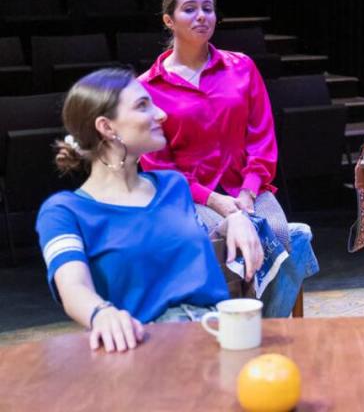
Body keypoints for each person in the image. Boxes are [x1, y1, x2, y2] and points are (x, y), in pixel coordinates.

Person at [36, 68, 265, 352]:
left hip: (213, 335)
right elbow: (73, 287)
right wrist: (101, 313)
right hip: (145, 347)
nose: (161, 115)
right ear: (107, 127)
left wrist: (235, 220)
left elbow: (177, 256)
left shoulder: (173, 186)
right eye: (143, 106)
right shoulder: (64, 212)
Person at [139, 0, 318, 318]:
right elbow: (158, 166)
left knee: (279, 235)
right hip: (191, 195)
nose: (201, 16)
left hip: (246, 188)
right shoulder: (148, 87)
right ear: (169, 20)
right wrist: (219, 203)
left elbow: (261, 140)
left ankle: (264, 329)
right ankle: (228, 331)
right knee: (225, 243)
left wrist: (249, 193)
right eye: (189, 9)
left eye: (207, 8)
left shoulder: (242, 68)